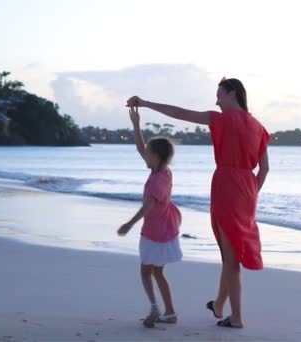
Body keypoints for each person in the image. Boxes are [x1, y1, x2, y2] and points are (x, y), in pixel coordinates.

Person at [127, 77, 270, 328]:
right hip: (248, 189)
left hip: (227, 185)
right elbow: (265, 169)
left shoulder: (221, 119)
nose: (216, 100)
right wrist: (250, 192)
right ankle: (219, 305)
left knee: (230, 257)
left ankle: (236, 317)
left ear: (232, 93)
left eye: (219, 94)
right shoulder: (258, 126)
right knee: (233, 251)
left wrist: (147, 104)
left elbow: (180, 113)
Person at [117, 106, 183, 328]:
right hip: (167, 228)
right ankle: (170, 312)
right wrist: (136, 124)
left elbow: (147, 207)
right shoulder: (163, 171)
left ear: (156, 156)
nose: (144, 155)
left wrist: (129, 223)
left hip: (155, 231)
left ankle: (155, 308)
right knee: (157, 271)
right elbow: (140, 147)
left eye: (148, 153)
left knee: (146, 272)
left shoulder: (157, 180)